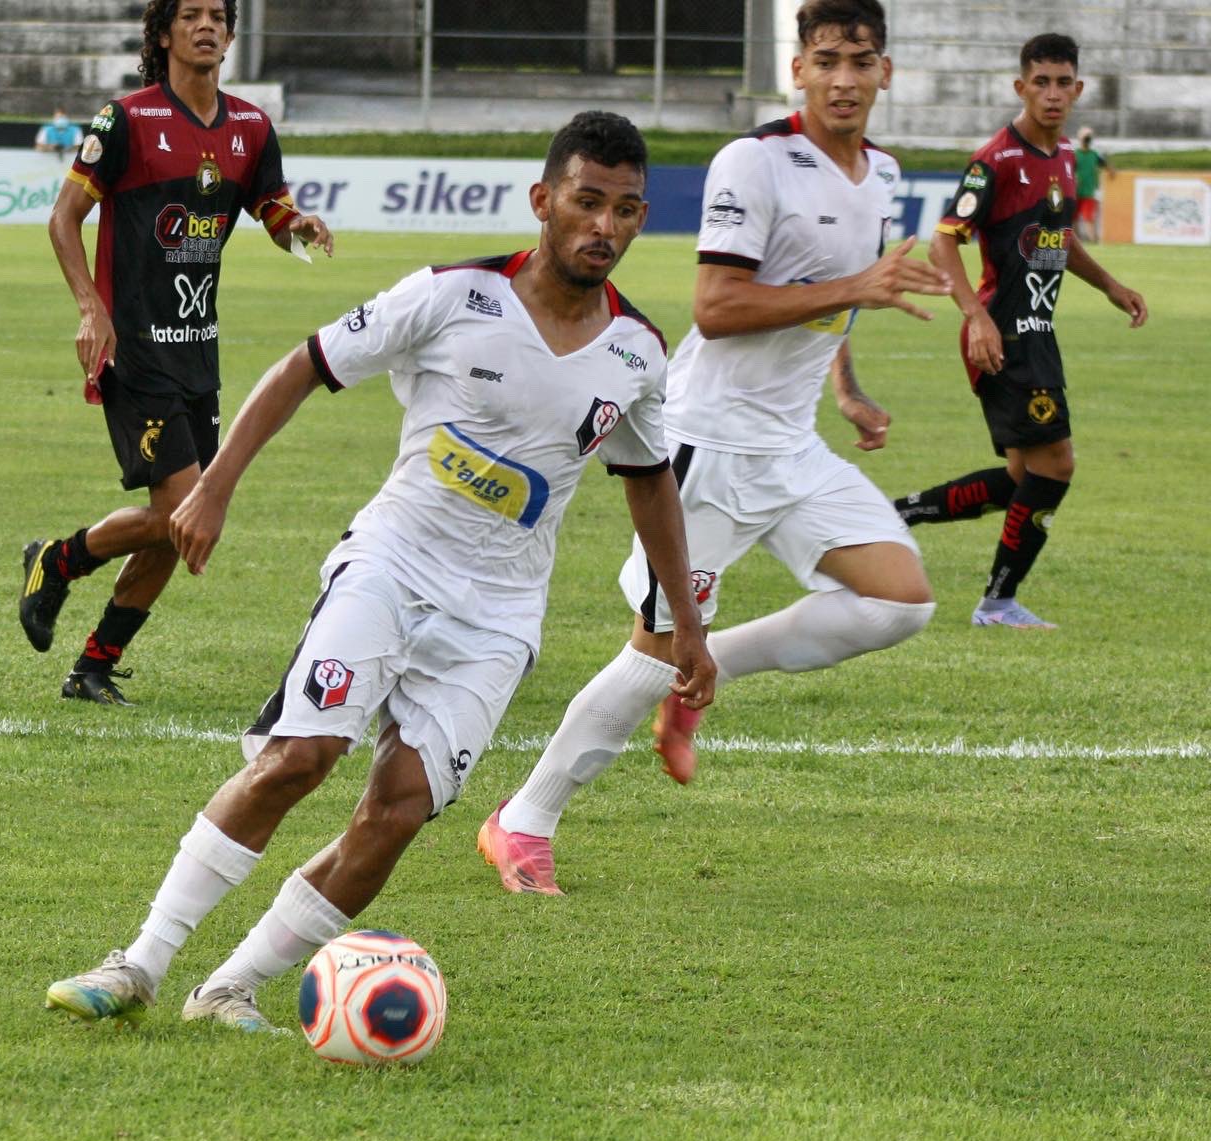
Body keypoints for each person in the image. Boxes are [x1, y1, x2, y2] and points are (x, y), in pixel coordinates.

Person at [43, 111, 716, 1031]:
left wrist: (685, 624)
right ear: (544, 202)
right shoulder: (450, 295)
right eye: (587, 202)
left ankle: (228, 986)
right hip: (392, 563)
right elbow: (302, 367)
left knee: (396, 812)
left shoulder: (638, 352)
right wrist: (216, 490)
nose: (605, 227)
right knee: (300, 759)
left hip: (501, 616)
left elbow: (650, 487)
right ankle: (140, 963)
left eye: (627, 211)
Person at [478, 0, 950, 897]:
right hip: (708, 444)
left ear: (885, 71)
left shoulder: (880, 173)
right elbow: (717, 307)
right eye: (825, 60)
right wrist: (859, 285)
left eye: (860, 60)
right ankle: (521, 821)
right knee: (653, 647)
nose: (844, 78)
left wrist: (844, 386)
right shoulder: (755, 161)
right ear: (797, 70)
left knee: (900, 601)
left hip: (791, 443)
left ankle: (708, 664)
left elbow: (829, 299)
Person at [18, 0, 333, 705]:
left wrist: (299, 225)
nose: (207, 26)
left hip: (198, 352)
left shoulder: (251, 126)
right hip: (136, 349)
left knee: (175, 526)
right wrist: (90, 307)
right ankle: (60, 561)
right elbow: (64, 218)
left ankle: (92, 667)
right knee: (187, 512)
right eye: (190, 15)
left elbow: (271, 209)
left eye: (218, 16)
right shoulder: (125, 121)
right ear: (163, 35)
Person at [894, 33, 1147, 630]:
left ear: (1078, 90)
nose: (1053, 94)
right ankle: (998, 603)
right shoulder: (997, 160)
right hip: (1003, 331)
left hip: (1036, 330)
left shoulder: (1062, 157)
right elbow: (943, 240)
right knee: (1056, 465)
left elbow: (1059, 239)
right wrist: (976, 317)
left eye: (1064, 83)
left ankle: (891, 514)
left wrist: (1110, 285)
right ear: (1021, 87)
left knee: (1020, 479)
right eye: (1042, 82)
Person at [1072, 126, 1113, 243]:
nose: (1087, 139)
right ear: (1079, 138)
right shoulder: (1074, 154)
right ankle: (1077, 243)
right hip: (1075, 192)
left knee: (1088, 218)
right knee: (1073, 219)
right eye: (1085, 137)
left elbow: (1108, 167)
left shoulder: (1095, 154)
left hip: (1089, 192)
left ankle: (1093, 241)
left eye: (1088, 137)